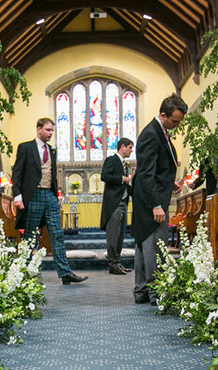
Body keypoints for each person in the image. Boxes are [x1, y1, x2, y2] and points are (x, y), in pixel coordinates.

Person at [12, 118, 88, 285]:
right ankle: (21, 273)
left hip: (50, 196)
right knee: (30, 236)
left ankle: (65, 273)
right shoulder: (26, 148)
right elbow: (17, 174)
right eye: (47, 130)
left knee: (57, 234)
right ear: (38, 129)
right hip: (33, 196)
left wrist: (55, 195)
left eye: (52, 131)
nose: (50, 133)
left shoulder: (51, 151)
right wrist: (17, 197)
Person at [131, 94, 187, 305]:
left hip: (153, 195)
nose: (176, 125)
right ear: (163, 115)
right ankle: (156, 294)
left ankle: (143, 292)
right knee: (154, 245)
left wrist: (168, 182)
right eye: (174, 121)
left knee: (147, 245)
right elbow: (145, 174)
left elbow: (157, 168)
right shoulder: (150, 134)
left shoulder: (160, 131)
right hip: (149, 201)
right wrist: (156, 204)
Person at [100, 137, 134, 275]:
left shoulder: (124, 164)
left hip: (123, 203)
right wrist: (122, 179)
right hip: (114, 203)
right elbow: (104, 176)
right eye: (130, 147)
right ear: (122, 147)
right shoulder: (111, 160)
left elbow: (127, 185)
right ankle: (113, 264)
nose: (131, 150)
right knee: (113, 235)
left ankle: (117, 263)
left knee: (120, 236)